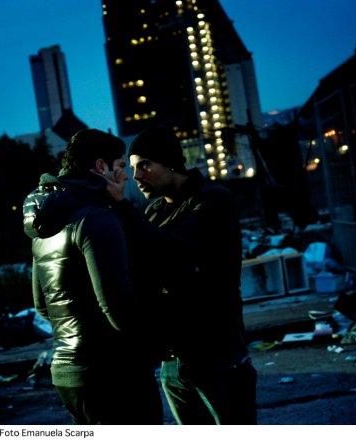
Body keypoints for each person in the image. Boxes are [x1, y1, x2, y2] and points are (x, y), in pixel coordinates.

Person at [102, 126, 257, 425]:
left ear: (170, 162)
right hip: (173, 359)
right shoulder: (154, 211)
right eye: (132, 168)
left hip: (217, 351)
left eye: (145, 165)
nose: (136, 176)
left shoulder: (213, 200)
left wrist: (122, 207)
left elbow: (174, 251)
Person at [23, 129, 163, 425]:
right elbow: (118, 307)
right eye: (121, 166)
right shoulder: (97, 218)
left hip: (67, 373)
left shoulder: (45, 224)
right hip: (114, 372)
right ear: (101, 167)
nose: (126, 175)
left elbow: (42, 305)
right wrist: (155, 346)